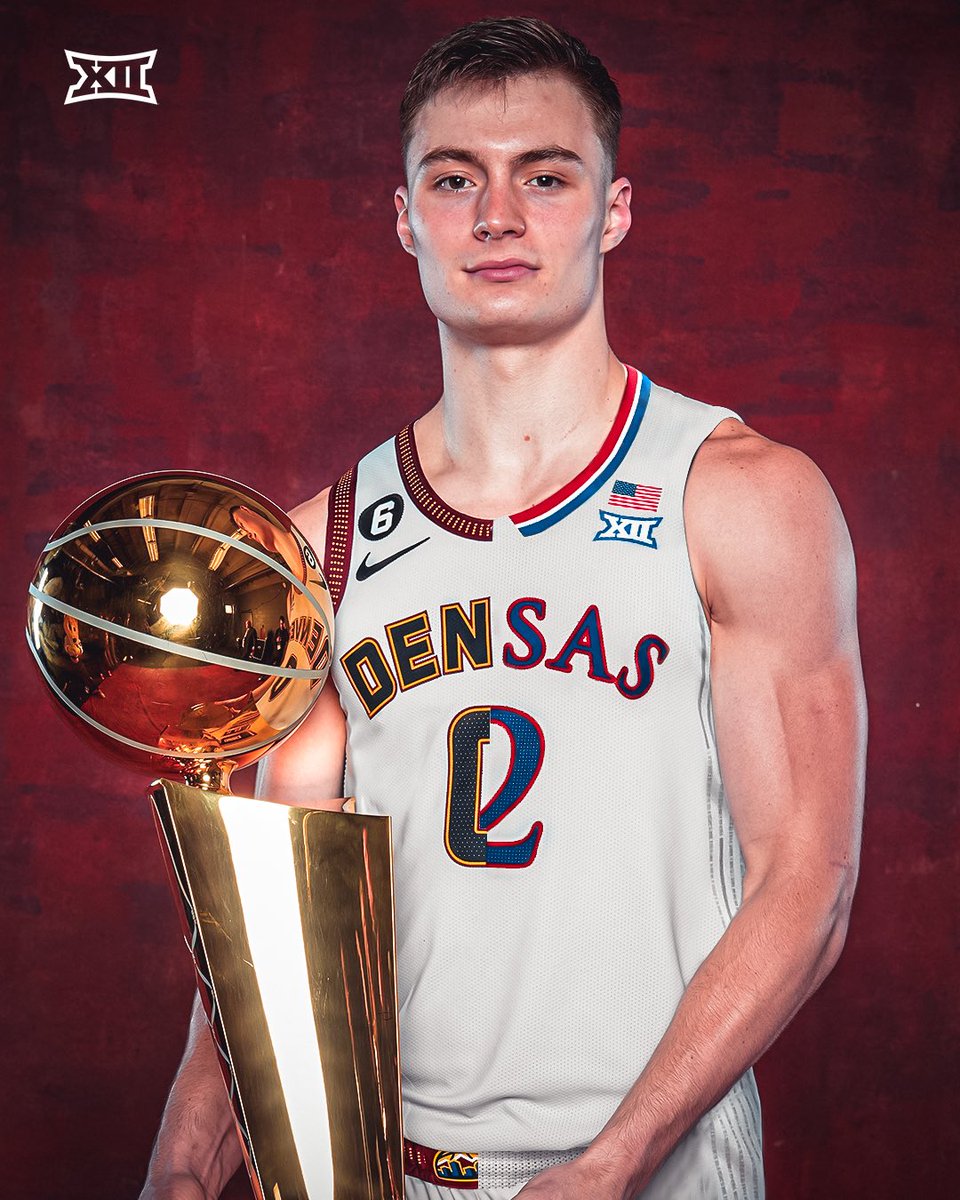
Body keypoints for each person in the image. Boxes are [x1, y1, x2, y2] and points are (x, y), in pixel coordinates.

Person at [141, 17, 865, 1200]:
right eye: (454, 179)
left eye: (546, 175)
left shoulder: (736, 494)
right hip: (399, 1168)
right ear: (404, 216)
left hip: (659, 1163)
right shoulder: (315, 542)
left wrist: (613, 1163)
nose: (498, 216)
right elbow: (283, 922)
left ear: (614, 210)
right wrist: (177, 1169)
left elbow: (810, 886)